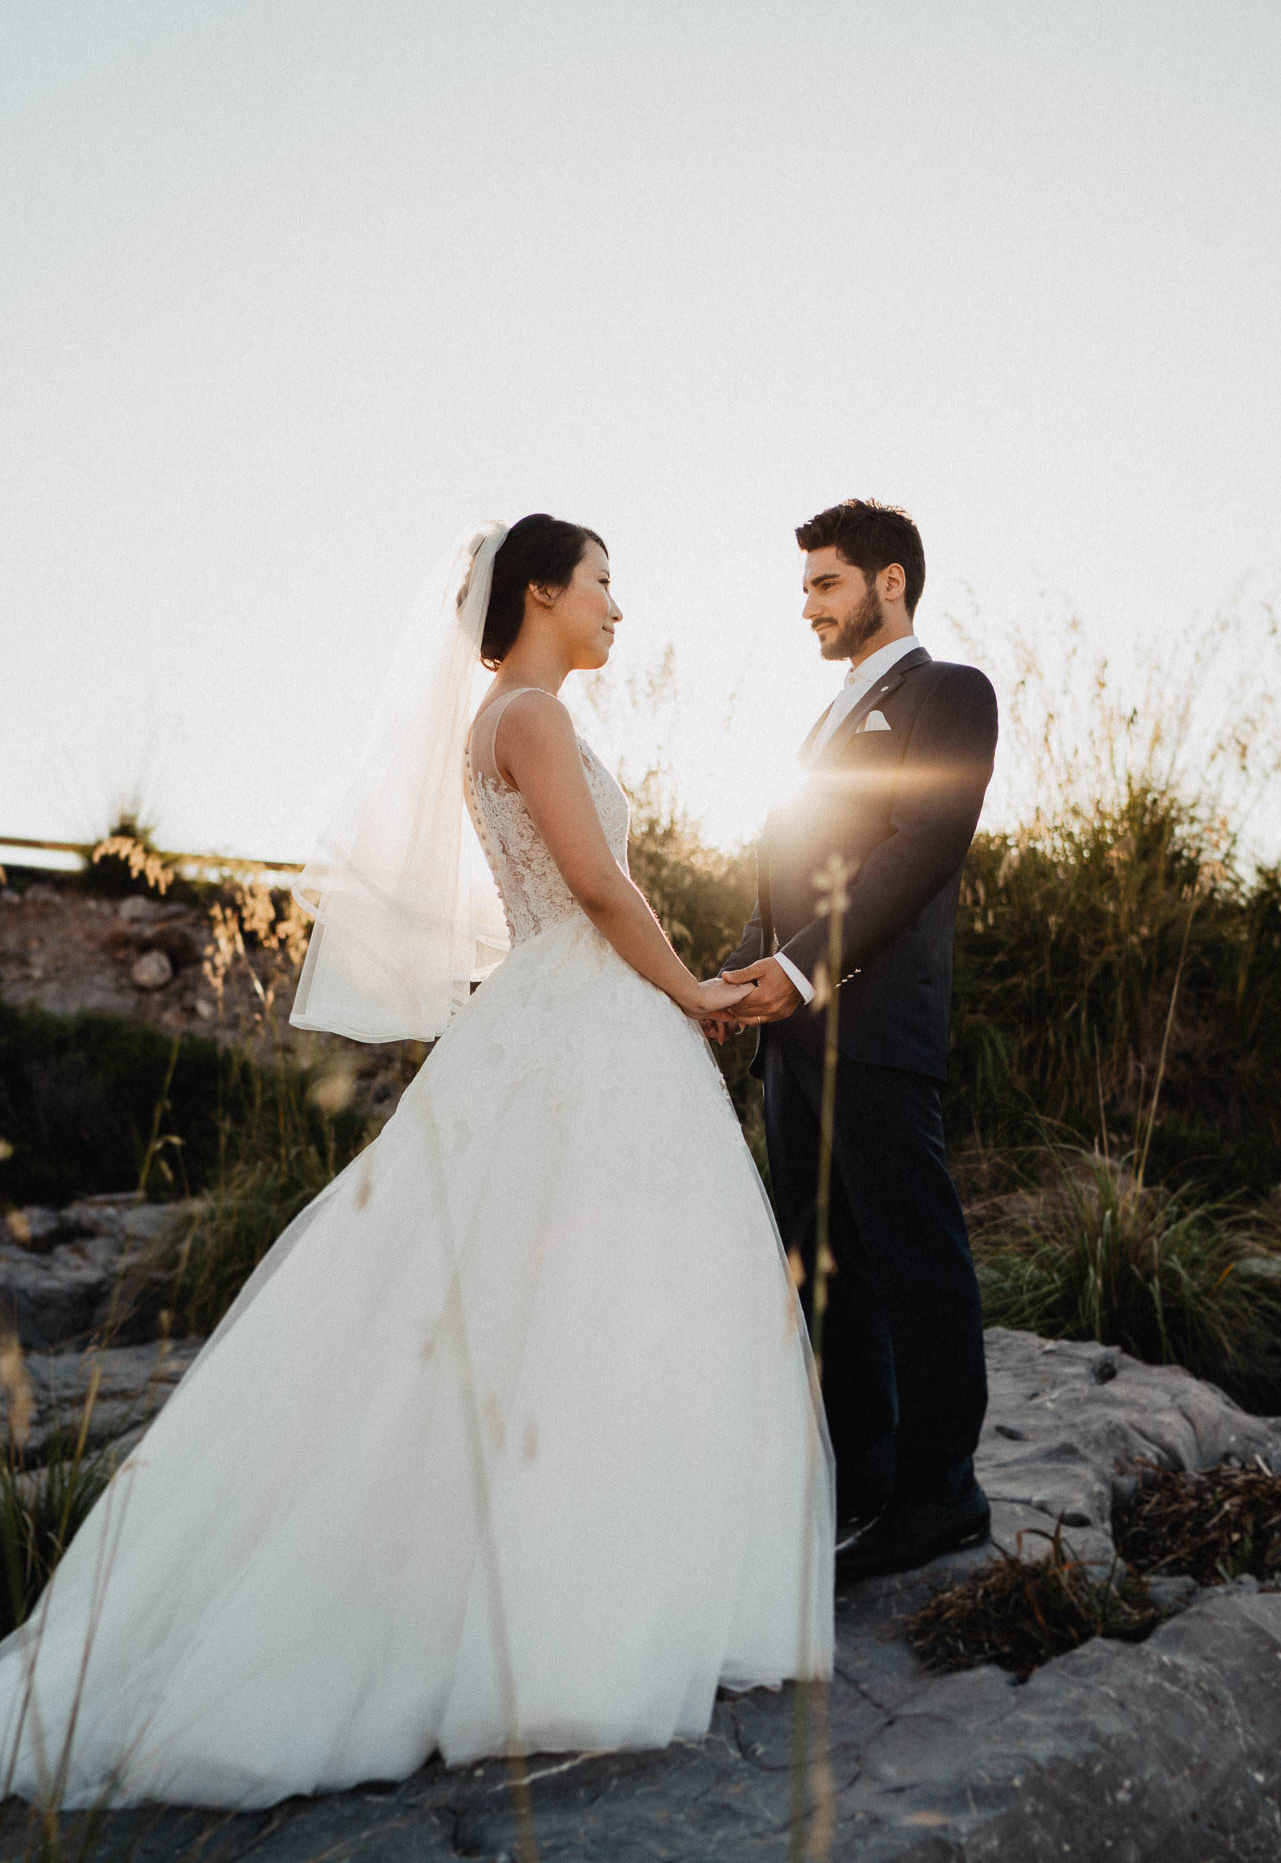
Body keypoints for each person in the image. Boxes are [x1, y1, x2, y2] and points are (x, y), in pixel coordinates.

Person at [0, 515, 833, 1813]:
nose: (619, 608)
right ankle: (565, 1622)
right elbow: (597, 887)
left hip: (564, 1014)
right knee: (597, 1300)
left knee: (546, 1297)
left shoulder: (509, 717)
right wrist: (694, 992)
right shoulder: (531, 719)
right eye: (604, 582)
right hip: (585, 1013)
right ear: (542, 590)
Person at [713, 498, 997, 1576]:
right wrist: (740, 975)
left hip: (874, 1026)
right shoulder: (826, 717)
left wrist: (799, 971)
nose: (808, 607)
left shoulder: (951, 693)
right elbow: (791, 877)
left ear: (890, 582)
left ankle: (942, 1494)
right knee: (822, 1265)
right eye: (804, 588)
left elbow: (917, 848)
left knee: (914, 1257)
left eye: (825, 583)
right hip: (792, 1041)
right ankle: (863, 1477)